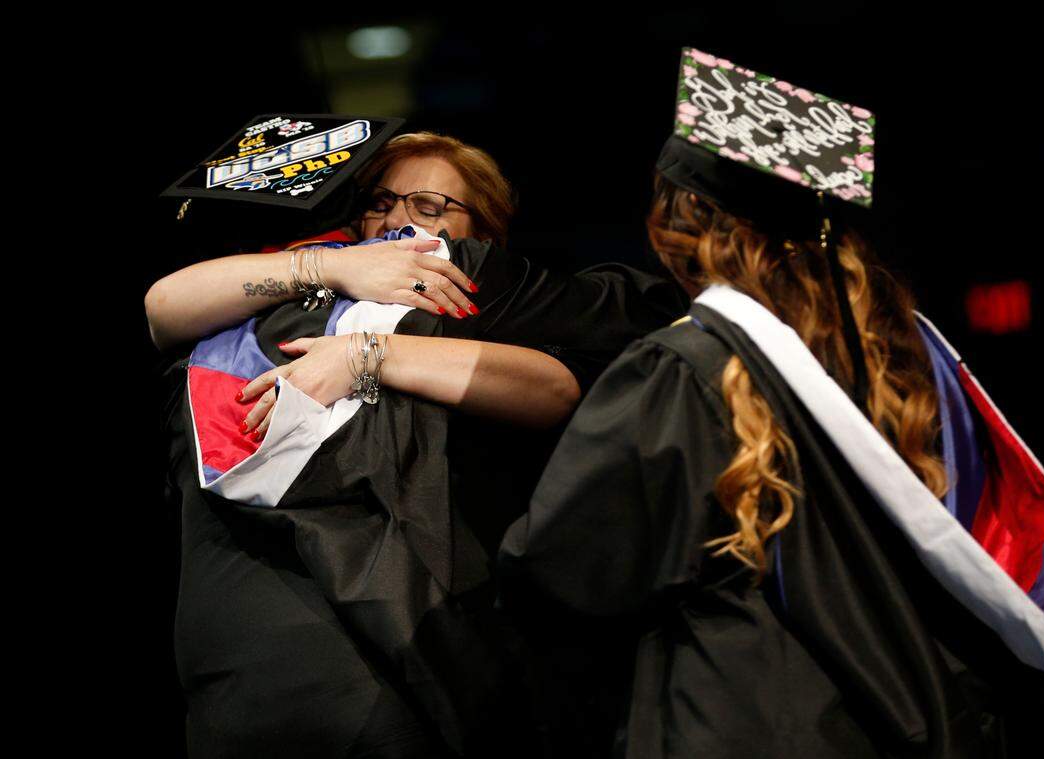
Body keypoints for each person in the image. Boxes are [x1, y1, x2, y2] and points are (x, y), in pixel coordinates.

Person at [498, 49, 1044, 758]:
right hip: (913, 716)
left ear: (683, 216)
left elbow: (562, 571)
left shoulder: (685, 370)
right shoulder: (905, 362)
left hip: (740, 716)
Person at [151, 130, 687, 757]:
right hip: (235, 633)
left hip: (379, 647)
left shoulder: (462, 289)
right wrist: (332, 265)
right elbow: (164, 307)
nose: (399, 220)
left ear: (482, 234)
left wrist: (367, 354)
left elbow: (558, 386)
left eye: (430, 207)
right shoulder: (296, 287)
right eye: (380, 202)